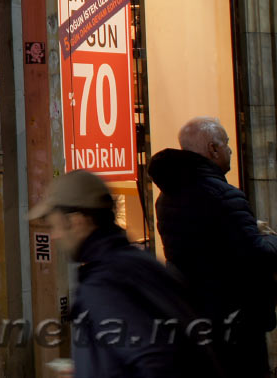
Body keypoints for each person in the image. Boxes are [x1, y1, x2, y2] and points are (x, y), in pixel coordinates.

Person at [28, 169, 221, 378]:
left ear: (76, 220)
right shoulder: (138, 262)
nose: (54, 236)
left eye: (55, 225)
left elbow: (157, 363)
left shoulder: (104, 283)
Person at [149, 116, 277, 378]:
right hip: (235, 324)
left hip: (194, 317)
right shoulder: (222, 195)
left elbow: (207, 243)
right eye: (226, 143)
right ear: (213, 149)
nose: (230, 150)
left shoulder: (166, 196)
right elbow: (258, 255)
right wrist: (270, 237)